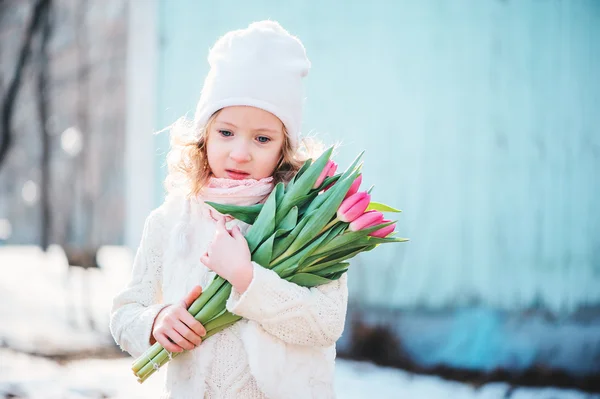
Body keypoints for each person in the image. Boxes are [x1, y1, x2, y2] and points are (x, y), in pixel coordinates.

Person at [110, 20, 348, 398]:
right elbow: (124, 312)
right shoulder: (170, 222)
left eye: (262, 138)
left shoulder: (309, 224)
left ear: (284, 148)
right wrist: (155, 320)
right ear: (203, 135)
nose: (240, 152)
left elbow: (326, 323)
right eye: (225, 132)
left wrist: (246, 277)